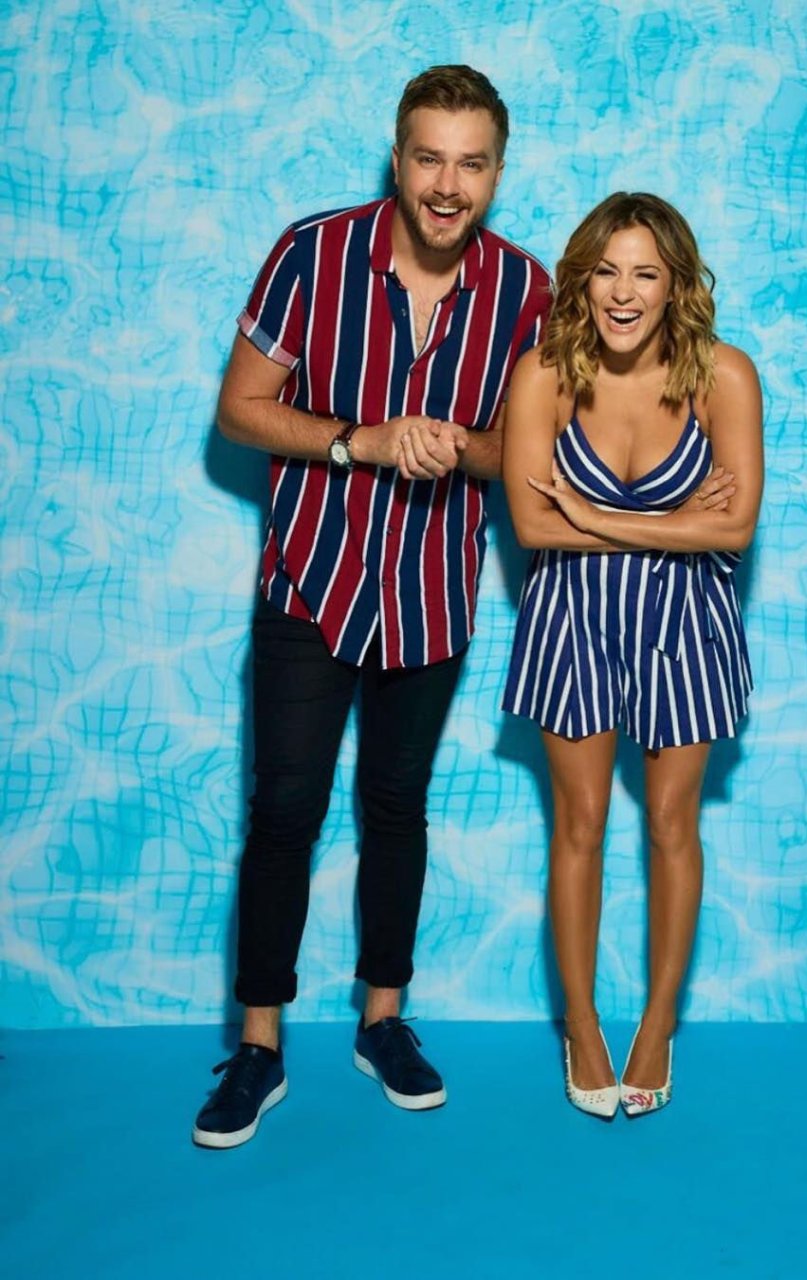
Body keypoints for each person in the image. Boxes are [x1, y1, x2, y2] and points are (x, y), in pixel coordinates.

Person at [192, 65, 550, 1148]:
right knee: (284, 811)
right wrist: (362, 440)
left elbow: (519, 452)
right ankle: (259, 1044)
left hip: (432, 594)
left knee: (398, 806)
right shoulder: (311, 254)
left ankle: (382, 1020)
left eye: (470, 164)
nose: (447, 184)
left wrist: (456, 446)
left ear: (496, 172)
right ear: (397, 158)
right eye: (428, 157)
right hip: (311, 581)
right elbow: (239, 410)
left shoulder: (525, 289)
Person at [501, 192, 762, 1117]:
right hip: (569, 619)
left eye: (645, 273)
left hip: (688, 626)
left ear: (675, 285)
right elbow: (534, 525)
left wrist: (597, 515)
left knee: (670, 824)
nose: (623, 292)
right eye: (607, 271)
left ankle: (656, 1026)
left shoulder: (724, 375)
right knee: (578, 825)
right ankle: (581, 1023)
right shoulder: (542, 375)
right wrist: (677, 521)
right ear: (581, 280)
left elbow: (735, 527)